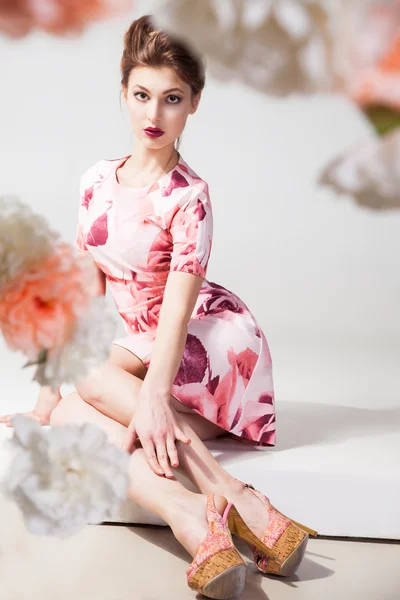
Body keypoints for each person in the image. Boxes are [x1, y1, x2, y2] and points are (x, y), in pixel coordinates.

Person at [0, 14, 316, 600]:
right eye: (142, 95)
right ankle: (205, 515)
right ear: (122, 92)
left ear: (193, 103)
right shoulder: (96, 181)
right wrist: (46, 404)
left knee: (92, 381)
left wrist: (149, 396)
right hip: (140, 346)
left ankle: (221, 492)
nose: (153, 115)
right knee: (71, 416)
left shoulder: (190, 196)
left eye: (171, 99)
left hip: (209, 338)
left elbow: (176, 312)